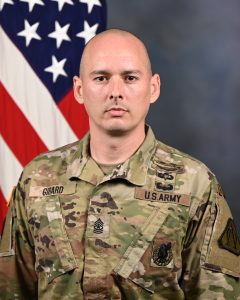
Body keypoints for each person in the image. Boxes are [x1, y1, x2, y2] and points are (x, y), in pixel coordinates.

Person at [0, 29, 239, 300]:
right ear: (79, 89)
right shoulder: (38, 179)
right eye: (101, 78)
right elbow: (12, 290)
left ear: (153, 88)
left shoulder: (195, 183)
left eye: (130, 78)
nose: (116, 92)